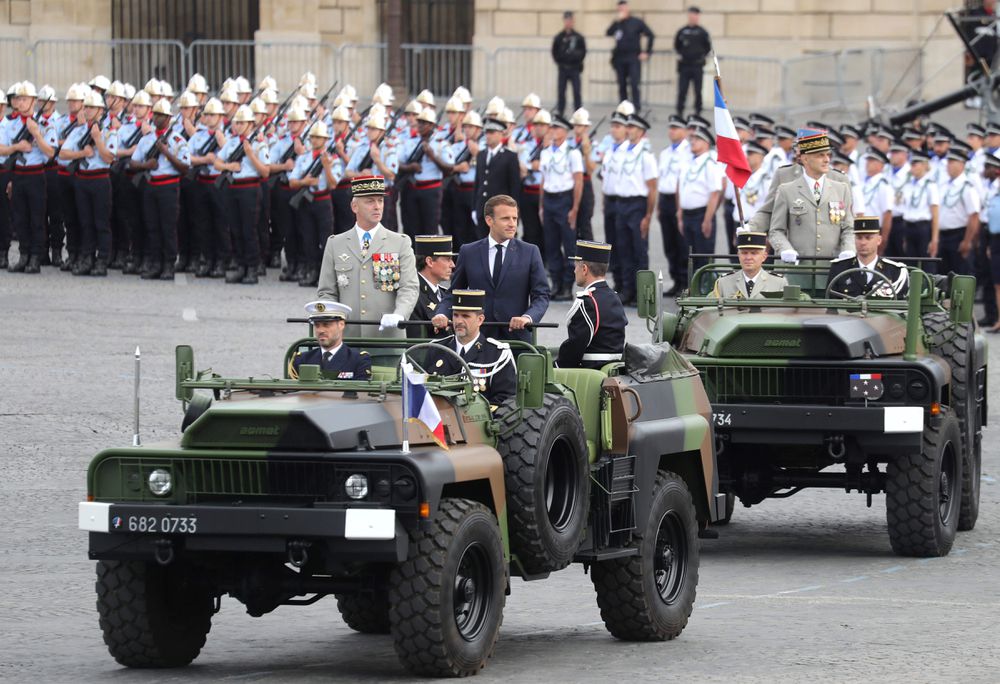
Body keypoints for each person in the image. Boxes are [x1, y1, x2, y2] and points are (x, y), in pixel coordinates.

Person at [433, 194, 550, 342]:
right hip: (478, 338)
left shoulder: (530, 252)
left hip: (517, 339)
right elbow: (454, 294)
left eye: (514, 218)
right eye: (505, 218)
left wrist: (528, 318)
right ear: (489, 221)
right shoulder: (469, 252)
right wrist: (442, 314)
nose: (512, 224)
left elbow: (541, 295)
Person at [317, 175, 418, 339]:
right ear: (354, 206)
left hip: (387, 338)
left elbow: (409, 287)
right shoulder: (336, 243)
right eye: (370, 201)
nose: (377, 206)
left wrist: (400, 314)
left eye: (380, 200)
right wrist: (334, 320)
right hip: (348, 339)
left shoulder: (400, 243)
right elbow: (327, 292)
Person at [768, 128, 855, 263]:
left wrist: (848, 249)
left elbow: (848, 227)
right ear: (805, 158)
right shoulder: (786, 190)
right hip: (798, 267)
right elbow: (776, 230)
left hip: (831, 267)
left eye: (828, 155)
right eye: (820, 155)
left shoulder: (841, 189)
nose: (826, 160)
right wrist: (785, 249)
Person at [59, 89, 118, 276]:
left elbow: (109, 158)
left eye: (92, 108)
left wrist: (98, 140)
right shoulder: (79, 131)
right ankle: (87, 257)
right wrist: (82, 154)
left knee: (101, 222)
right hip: (82, 180)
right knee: (85, 222)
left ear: (101, 111)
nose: (88, 111)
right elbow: (63, 153)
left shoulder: (109, 132)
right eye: (87, 107)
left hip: (100, 180)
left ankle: (102, 260)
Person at [427, 289, 517, 405]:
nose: (459, 321)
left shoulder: (497, 354)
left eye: (465, 316)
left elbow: (506, 399)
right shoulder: (437, 348)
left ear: (480, 320)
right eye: (455, 315)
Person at [2, 81, 56, 274]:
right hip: (17, 175)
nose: (20, 102)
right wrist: (16, 148)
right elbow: (4, 150)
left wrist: (36, 135)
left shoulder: (44, 125)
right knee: (20, 218)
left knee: (36, 218)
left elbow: (51, 153)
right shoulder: (11, 124)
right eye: (18, 99)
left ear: (34, 101)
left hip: (35, 175)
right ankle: (24, 255)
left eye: (24, 99)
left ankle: (36, 257)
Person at [213, 103, 267, 284]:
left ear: (250, 124)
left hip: (250, 189)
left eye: (241, 122)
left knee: (249, 230)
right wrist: (230, 166)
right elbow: (217, 163)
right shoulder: (233, 142)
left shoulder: (258, 143)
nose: (237, 126)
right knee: (235, 229)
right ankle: (241, 266)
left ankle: (252, 267)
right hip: (233, 188)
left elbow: (265, 171)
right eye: (236, 122)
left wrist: (251, 155)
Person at [288, 119, 343, 288]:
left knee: (325, 240)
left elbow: (333, 184)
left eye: (318, 138)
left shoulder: (332, 159)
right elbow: (292, 182)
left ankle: (325, 275)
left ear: (325, 140)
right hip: (306, 201)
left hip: (323, 201)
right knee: (308, 238)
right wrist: (305, 182)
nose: (314, 140)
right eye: (313, 137)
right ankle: (311, 270)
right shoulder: (304, 158)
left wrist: (326, 167)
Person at [557, 240, 627, 369]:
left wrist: (556, 366)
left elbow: (576, 345)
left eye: (576, 266)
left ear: (584, 269)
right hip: (614, 367)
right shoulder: (614, 296)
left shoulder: (587, 301)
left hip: (591, 369)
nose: (574, 271)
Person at [539, 113, 584, 301]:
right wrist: (541, 205)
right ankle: (555, 283)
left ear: (565, 131)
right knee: (551, 244)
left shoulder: (572, 152)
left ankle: (567, 285)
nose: (553, 131)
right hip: (549, 199)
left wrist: (574, 208)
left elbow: (578, 181)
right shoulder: (546, 152)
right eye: (552, 128)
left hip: (564, 199)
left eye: (557, 128)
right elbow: (543, 179)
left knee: (569, 244)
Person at [615, 112, 658, 304]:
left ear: (640, 131)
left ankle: (643, 294)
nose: (628, 130)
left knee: (639, 251)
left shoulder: (646, 156)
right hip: (621, 203)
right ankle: (627, 289)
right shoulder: (623, 151)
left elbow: (652, 188)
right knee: (623, 248)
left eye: (632, 127)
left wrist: (648, 216)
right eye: (628, 127)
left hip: (637, 205)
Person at [676, 125, 722, 276]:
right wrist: (680, 214)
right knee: (689, 256)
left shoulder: (710, 163)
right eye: (692, 138)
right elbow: (681, 189)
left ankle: (706, 291)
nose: (693, 141)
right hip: (687, 215)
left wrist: (707, 219)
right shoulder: (688, 162)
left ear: (706, 143)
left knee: (704, 257)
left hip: (701, 214)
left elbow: (715, 193)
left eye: (697, 139)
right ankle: (693, 290)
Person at [287, 300, 373, 380]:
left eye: (326, 325)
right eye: (317, 325)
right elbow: (291, 393)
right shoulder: (302, 359)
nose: (321, 330)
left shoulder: (358, 360)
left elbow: (361, 394)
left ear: (341, 325)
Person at [827, 217, 909, 299]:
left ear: (879, 240)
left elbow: (900, 307)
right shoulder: (840, 268)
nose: (863, 243)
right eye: (859, 238)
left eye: (868, 238)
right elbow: (831, 305)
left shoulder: (894, 271)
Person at [658, 114, 692, 295]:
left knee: (681, 244)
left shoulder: (688, 152)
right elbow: (661, 180)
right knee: (669, 243)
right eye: (670, 128)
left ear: (685, 131)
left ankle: (685, 281)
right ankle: (676, 281)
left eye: (676, 128)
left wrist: (679, 208)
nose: (672, 131)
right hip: (665, 199)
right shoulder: (665, 153)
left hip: (679, 200)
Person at [936, 144, 981, 276]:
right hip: (943, 235)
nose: (948, 165)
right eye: (948, 162)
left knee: (960, 274)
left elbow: (974, 216)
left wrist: (967, 241)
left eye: (952, 162)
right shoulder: (944, 185)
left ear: (961, 164)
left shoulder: (967, 187)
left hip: (958, 235)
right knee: (943, 275)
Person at [474, 117, 521, 232]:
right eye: (486, 132)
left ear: (501, 134)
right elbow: (478, 183)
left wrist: (514, 211)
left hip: (502, 212)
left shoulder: (510, 156)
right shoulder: (481, 155)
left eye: (492, 132)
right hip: (482, 210)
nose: (488, 136)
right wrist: (474, 208)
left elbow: (515, 186)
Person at [607, 1, 655, 111]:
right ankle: (623, 109)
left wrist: (647, 52)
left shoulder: (637, 22)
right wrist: (616, 21)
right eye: (619, 10)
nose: (621, 12)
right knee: (622, 85)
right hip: (619, 58)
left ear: (627, 9)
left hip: (633, 58)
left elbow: (651, 35)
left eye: (623, 9)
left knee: (634, 84)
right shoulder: (617, 23)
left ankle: (636, 108)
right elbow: (608, 32)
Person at [711, 230, 788, 298]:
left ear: (764, 256)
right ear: (738, 255)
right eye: (744, 253)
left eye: (754, 253)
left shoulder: (779, 283)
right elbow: (711, 310)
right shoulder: (723, 283)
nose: (748, 257)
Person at [901, 150, 940, 272]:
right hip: (909, 226)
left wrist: (934, 239)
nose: (912, 167)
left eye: (915, 164)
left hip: (923, 227)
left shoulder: (930, 185)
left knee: (926, 263)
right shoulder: (909, 185)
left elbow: (935, 213)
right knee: (910, 263)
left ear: (924, 165)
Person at [412, 234, 457, 337]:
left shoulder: (444, 293)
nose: (453, 265)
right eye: (447, 259)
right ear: (430, 262)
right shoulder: (413, 295)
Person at [674, 6, 712, 117]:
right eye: (691, 14)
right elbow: (677, 46)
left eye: (695, 15)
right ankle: (680, 110)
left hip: (697, 65)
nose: (693, 17)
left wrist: (701, 56)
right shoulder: (682, 31)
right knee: (682, 90)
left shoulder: (702, 32)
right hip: (684, 66)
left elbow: (707, 47)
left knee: (698, 90)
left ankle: (698, 111)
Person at [552, 11, 587, 117]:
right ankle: (560, 111)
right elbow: (554, 52)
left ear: (573, 21)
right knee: (561, 92)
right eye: (566, 20)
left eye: (570, 20)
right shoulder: (559, 37)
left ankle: (578, 113)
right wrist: (561, 60)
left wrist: (575, 58)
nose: (568, 22)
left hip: (575, 68)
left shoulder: (578, 37)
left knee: (577, 92)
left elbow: (583, 51)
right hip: (563, 68)